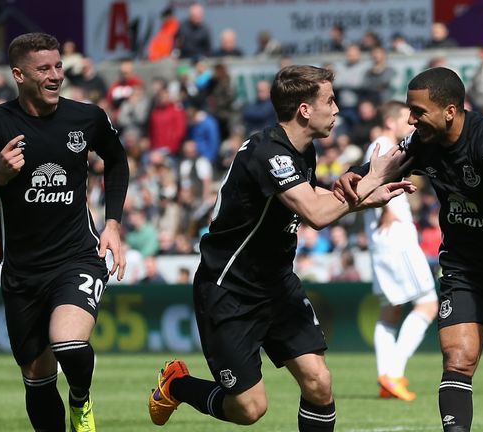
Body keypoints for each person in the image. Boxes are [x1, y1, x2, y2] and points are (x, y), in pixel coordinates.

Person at [148, 65, 414, 431]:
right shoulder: (269, 153)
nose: (337, 109)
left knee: (319, 382)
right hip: (230, 289)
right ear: (305, 109)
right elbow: (317, 213)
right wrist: (373, 178)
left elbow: (312, 196)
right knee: (249, 409)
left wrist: (366, 199)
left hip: (277, 285)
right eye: (330, 100)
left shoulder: (300, 151)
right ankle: (176, 384)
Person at [334, 67, 483, 432]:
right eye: (409, 109)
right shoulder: (422, 141)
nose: (410, 119)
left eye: (418, 111)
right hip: (461, 267)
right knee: (457, 359)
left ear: (449, 111)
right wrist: (354, 173)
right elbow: (389, 163)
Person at [0, 32, 129, 432]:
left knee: (69, 343)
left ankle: (80, 400)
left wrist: (112, 223)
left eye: (58, 66)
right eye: (45, 69)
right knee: (37, 379)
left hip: (77, 257)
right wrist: (0, 175)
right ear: (19, 75)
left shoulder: (86, 117)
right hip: (22, 272)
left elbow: (117, 160)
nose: (56, 75)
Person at [363, 101, 439, 402]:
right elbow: (378, 180)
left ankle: (386, 377)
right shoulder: (384, 144)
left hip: (381, 240)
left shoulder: (375, 145)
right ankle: (394, 372)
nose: (411, 126)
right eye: (406, 122)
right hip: (396, 237)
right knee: (428, 304)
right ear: (391, 122)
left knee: (390, 311)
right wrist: (388, 208)